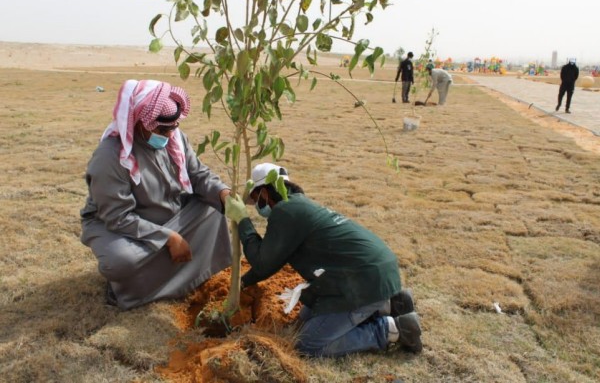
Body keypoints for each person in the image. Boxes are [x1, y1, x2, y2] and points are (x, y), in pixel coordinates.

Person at [225, 163, 422, 357]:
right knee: (304, 320)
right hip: (372, 271)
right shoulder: (296, 206)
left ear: (265, 193)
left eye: (255, 198)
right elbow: (271, 261)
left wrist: (243, 221)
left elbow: (262, 262)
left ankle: (392, 329)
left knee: (306, 343)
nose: (257, 205)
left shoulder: (286, 211)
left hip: (363, 281)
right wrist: (242, 282)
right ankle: (390, 305)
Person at [80, 79, 233, 310]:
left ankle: (190, 277)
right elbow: (118, 217)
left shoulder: (175, 138)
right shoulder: (110, 157)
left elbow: (198, 175)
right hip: (118, 225)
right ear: (139, 121)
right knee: (121, 261)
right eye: (162, 129)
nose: (170, 134)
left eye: (174, 127)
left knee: (213, 208)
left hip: (166, 212)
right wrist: (170, 238)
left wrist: (224, 194)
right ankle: (127, 290)